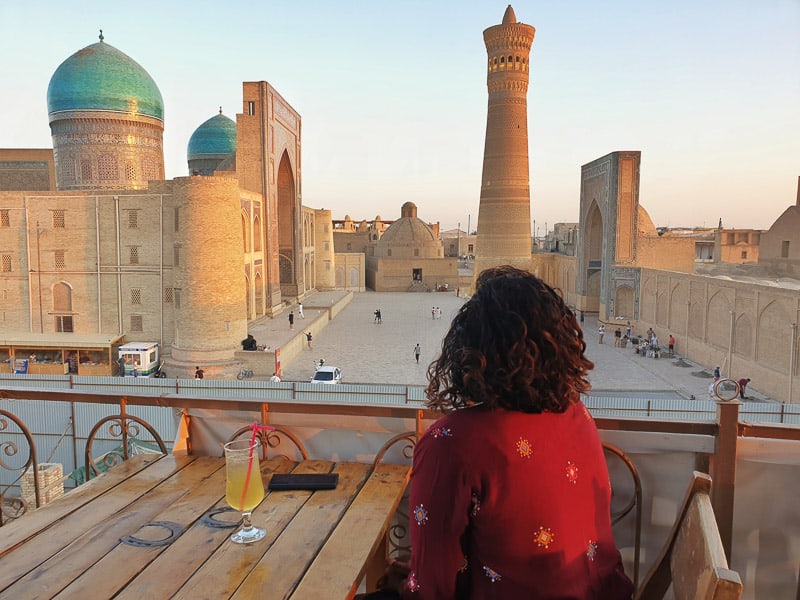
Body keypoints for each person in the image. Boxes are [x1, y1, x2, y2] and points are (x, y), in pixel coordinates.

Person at [389, 266, 633, 599]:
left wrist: (406, 584)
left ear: (470, 347)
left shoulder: (452, 443)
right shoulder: (577, 415)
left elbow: (432, 589)